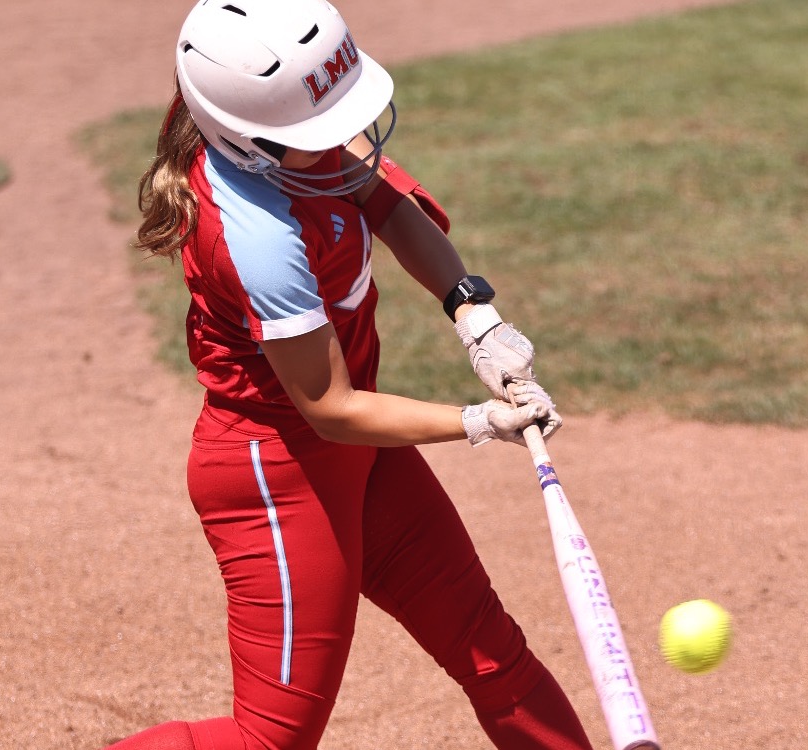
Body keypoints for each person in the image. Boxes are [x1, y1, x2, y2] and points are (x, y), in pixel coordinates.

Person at [106, 1, 593, 749]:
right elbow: (331, 408)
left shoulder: (289, 130)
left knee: (490, 650)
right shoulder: (256, 239)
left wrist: (475, 317)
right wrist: (477, 420)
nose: (344, 137)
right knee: (270, 739)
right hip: (278, 477)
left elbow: (386, 203)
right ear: (252, 142)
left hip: (361, 459)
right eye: (321, 129)